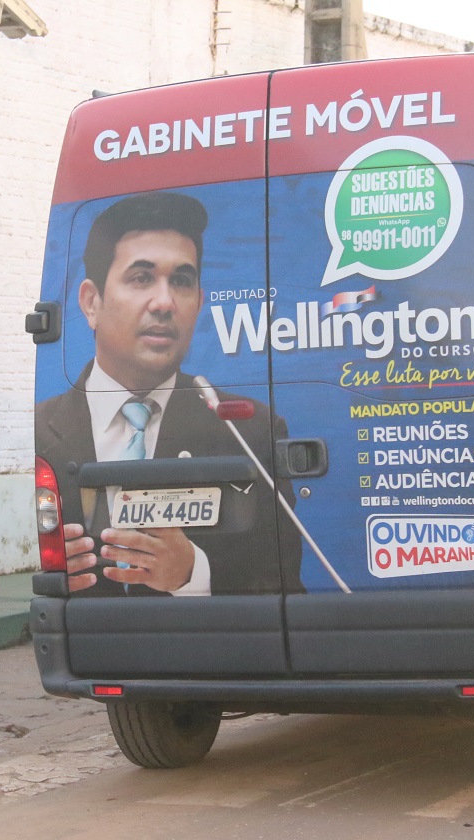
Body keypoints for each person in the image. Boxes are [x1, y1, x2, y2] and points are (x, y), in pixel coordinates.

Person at [36, 191, 303, 597]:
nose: (164, 302)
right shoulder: (39, 433)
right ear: (91, 302)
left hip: (208, 654)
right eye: (141, 277)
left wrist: (193, 574)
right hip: (82, 647)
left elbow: (283, 587)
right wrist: (50, 569)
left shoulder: (248, 433)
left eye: (181, 280)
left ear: (198, 301)